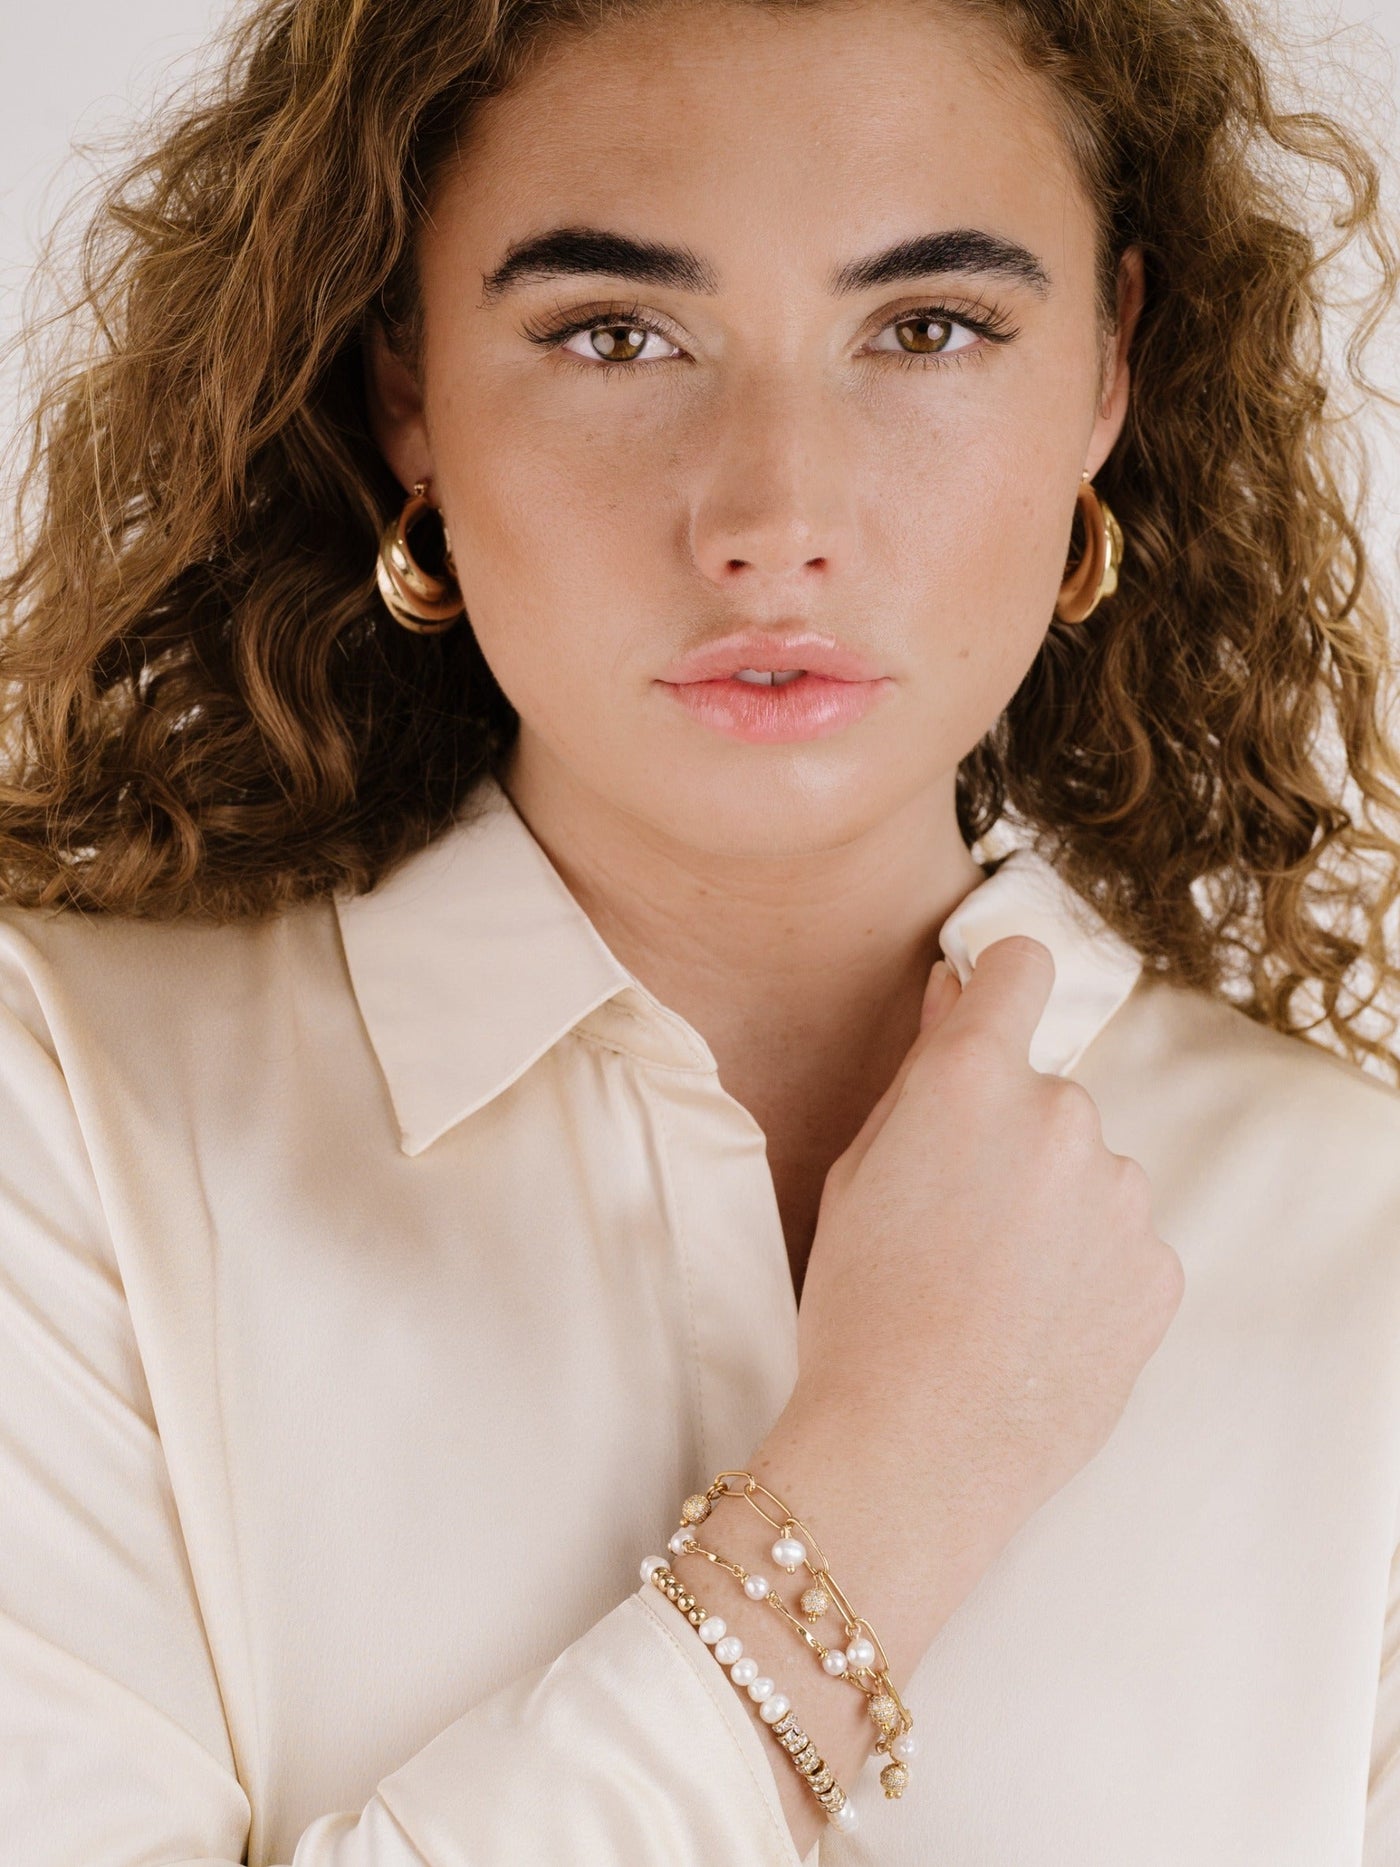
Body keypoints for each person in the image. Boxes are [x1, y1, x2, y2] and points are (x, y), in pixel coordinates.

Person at [2, 0, 1400, 1859]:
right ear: (407, 386)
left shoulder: (1363, 1238)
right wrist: (882, 1489)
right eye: (616, 333)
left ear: (1106, 373)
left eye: (928, 328)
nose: (774, 520)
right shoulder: (68, 1117)